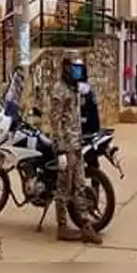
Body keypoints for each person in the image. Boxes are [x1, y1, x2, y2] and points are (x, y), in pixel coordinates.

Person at [49, 51, 102, 244]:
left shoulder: (75, 89)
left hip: (77, 145)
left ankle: (86, 225)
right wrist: (61, 150)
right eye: (75, 67)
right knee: (64, 189)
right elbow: (55, 122)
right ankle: (62, 226)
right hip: (66, 148)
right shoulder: (59, 90)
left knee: (80, 185)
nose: (78, 70)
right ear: (66, 67)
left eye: (80, 67)